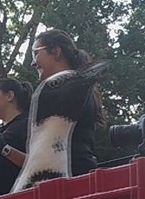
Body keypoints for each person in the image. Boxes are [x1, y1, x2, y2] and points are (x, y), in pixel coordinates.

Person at [28, 29, 103, 177]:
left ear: (56, 52)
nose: (32, 63)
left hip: (65, 181)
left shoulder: (58, 88)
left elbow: (46, 150)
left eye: (36, 53)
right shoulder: (80, 86)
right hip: (80, 175)